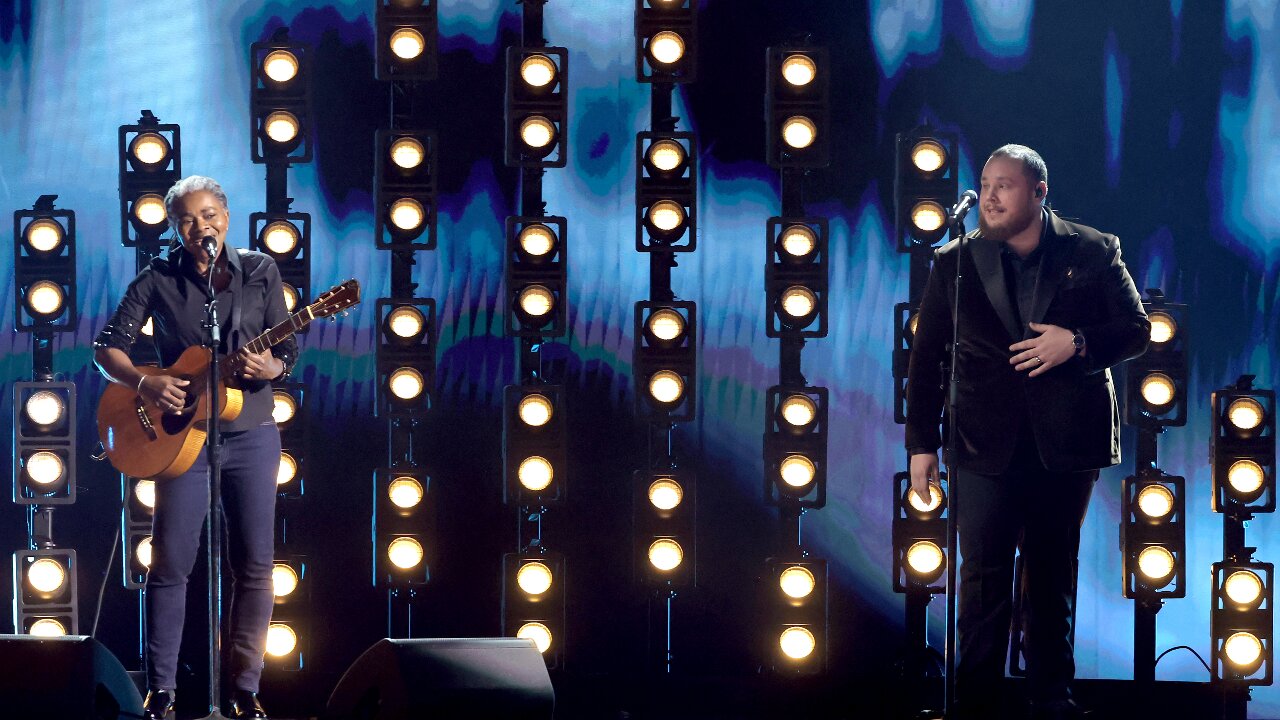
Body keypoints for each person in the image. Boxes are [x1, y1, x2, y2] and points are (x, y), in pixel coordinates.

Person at [905, 145, 1150, 720]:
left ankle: (1050, 696)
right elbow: (927, 357)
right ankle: (976, 699)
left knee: (1051, 568)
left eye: (1005, 185)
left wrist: (1080, 342)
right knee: (983, 573)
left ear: (1039, 192)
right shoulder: (955, 263)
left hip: (1066, 439)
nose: (990, 196)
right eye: (986, 183)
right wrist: (921, 444)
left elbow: (1136, 329)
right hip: (980, 438)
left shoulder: (1091, 249)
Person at [94, 176, 296, 720]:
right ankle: (161, 690)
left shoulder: (260, 272)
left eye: (208, 214)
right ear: (173, 227)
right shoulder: (158, 278)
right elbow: (107, 347)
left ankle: (245, 690)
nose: (199, 226)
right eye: (186, 219)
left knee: (255, 565)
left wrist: (271, 366)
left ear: (226, 216)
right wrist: (145, 383)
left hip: (252, 434)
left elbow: (289, 348)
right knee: (170, 564)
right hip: (181, 442)